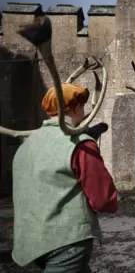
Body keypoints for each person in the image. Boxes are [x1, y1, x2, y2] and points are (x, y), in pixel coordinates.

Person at [11, 83, 118, 272]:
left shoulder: (27, 143)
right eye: (82, 106)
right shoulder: (81, 145)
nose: (84, 111)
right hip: (68, 240)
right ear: (75, 107)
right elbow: (102, 198)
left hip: (30, 238)